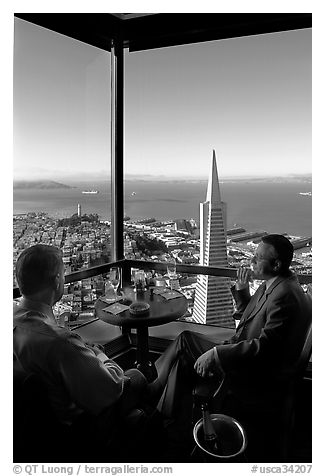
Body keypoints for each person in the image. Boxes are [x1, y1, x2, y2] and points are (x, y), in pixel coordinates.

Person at [150, 234, 311, 430]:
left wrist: (217, 354)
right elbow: (252, 319)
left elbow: (266, 347)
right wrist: (242, 291)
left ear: (276, 264)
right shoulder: (277, 284)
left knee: (185, 341)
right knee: (182, 360)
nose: (251, 261)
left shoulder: (284, 295)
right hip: (248, 356)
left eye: (258, 258)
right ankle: (164, 416)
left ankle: (155, 393)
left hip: (255, 373)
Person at [13, 244, 152, 459]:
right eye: (62, 275)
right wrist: (99, 354)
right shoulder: (60, 342)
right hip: (78, 428)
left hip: (32, 432)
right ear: (57, 281)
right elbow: (112, 389)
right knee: (137, 376)